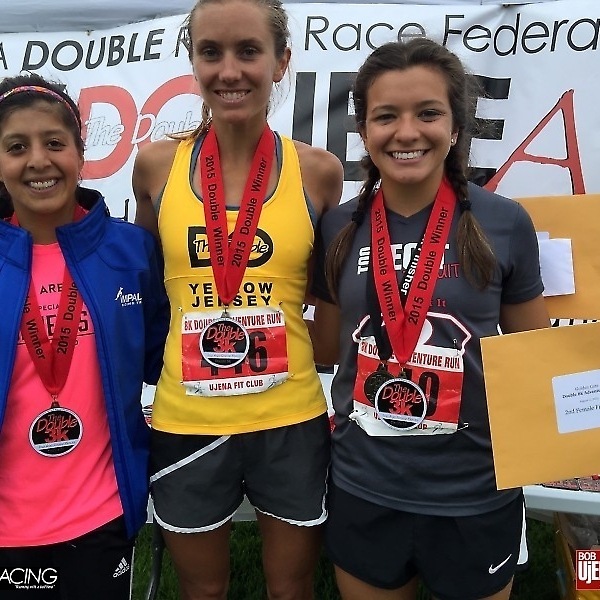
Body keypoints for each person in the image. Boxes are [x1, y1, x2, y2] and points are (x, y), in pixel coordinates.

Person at [310, 38, 550, 600]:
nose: (406, 132)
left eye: (428, 113)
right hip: (365, 482)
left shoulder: (504, 222)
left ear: (456, 125)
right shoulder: (339, 227)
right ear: (363, 130)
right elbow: (325, 348)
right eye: (385, 116)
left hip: (475, 487)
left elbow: (534, 353)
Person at [132, 0, 343, 598]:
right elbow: (147, 291)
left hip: (290, 418)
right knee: (202, 591)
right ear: (193, 62)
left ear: (281, 62)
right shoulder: (154, 167)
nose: (229, 71)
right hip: (187, 420)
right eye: (211, 52)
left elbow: (329, 308)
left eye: (249, 51)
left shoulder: (318, 172)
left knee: (291, 589)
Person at [0, 73, 169, 599]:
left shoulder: (132, 253)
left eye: (54, 143)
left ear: (80, 152)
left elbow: (161, 362)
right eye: (16, 147)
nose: (38, 161)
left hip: (101, 518)